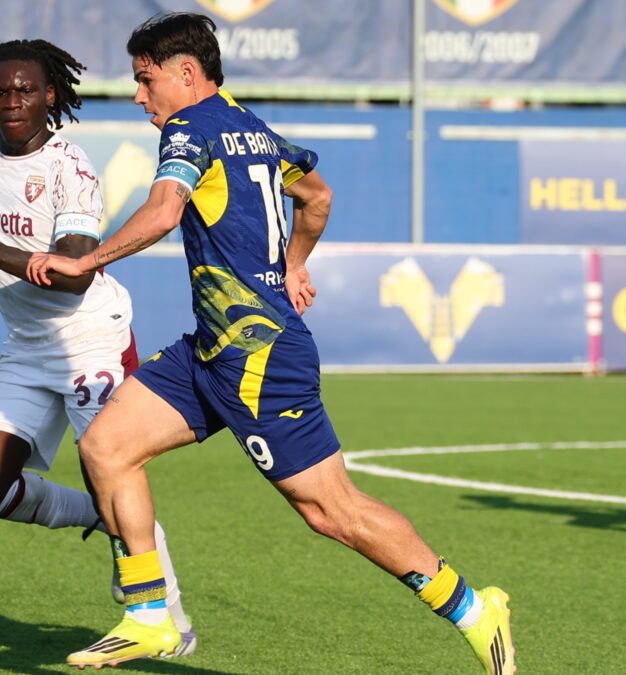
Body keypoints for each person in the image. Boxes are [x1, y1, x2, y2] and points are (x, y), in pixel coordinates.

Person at [26, 13, 514, 673]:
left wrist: (87, 260)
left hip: (260, 357)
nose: (140, 96)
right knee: (106, 447)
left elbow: (165, 212)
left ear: (186, 74)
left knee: (332, 510)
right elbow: (318, 195)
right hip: (212, 349)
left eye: (145, 80)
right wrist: (294, 262)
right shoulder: (249, 126)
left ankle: (474, 609)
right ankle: (149, 616)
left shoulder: (188, 127)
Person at [0, 39, 195, 656]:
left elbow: (75, 272)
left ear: (50, 95)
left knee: (112, 468)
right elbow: (2, 243)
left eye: (25, 90)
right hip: (28, 345)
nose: (11, 101)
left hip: (90, 339)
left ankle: (171, 618)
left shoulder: (71, 169)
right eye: (1, 91)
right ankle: (98, 518)